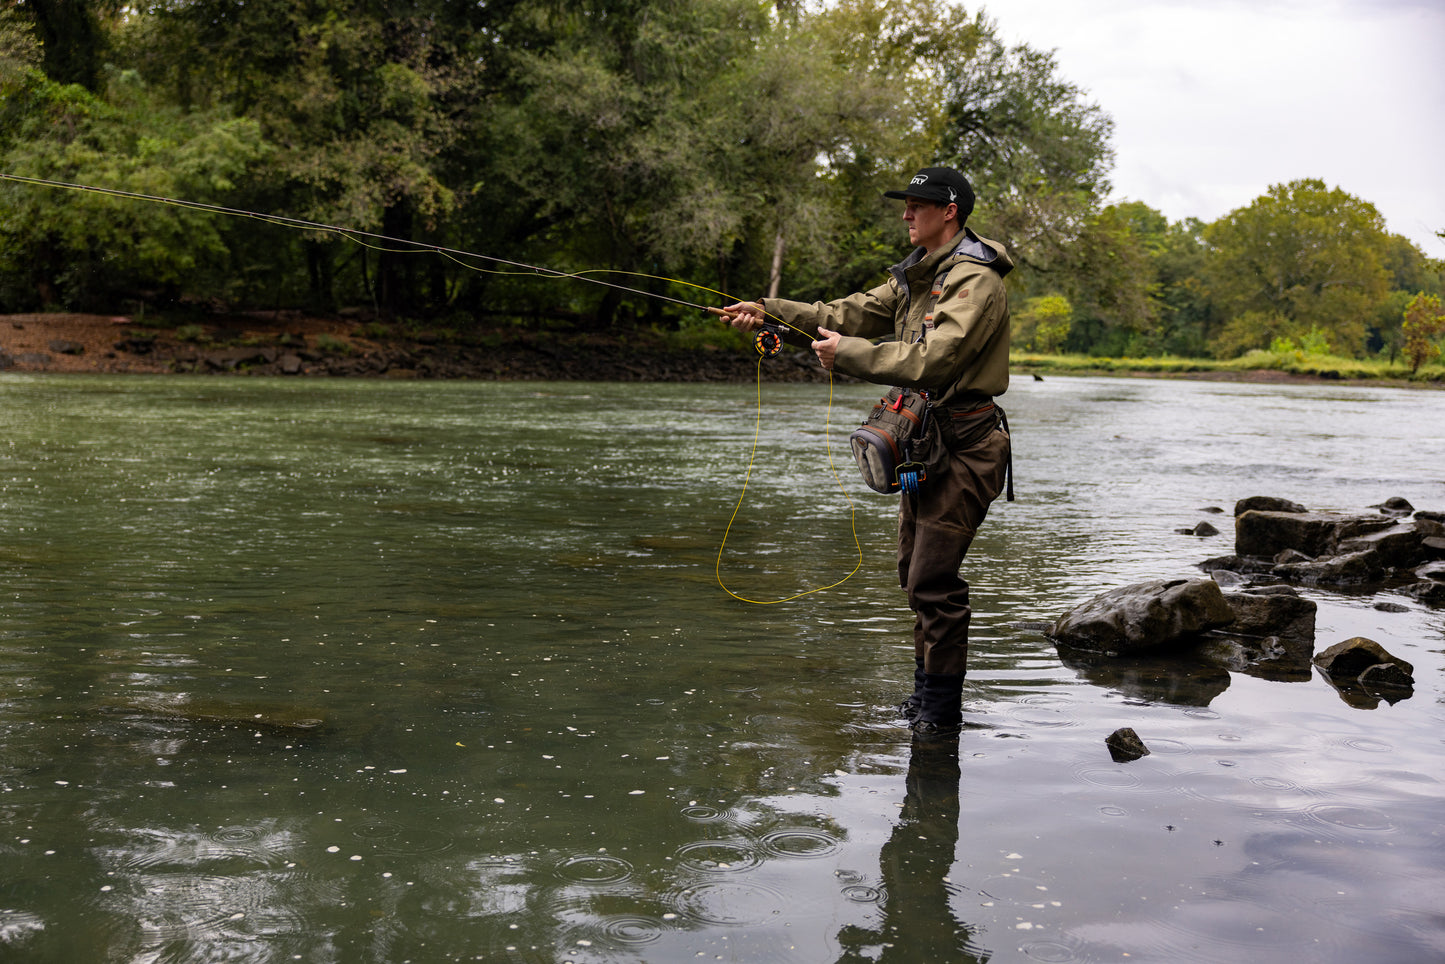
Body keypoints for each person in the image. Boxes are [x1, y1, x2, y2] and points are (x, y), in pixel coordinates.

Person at [722, 166, 1013, 737]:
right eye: (905, 205)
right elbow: (842, 314)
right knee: (913, 573)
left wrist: (849, 355)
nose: (906, 214)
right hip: (923, 445)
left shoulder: (975, 280)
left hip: (968, 448)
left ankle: (939, 719)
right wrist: (767, 308)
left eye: (916, 205)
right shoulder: (916, 275)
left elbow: (938, 360)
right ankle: (923, 698)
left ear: (948, 211)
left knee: (933, 580)